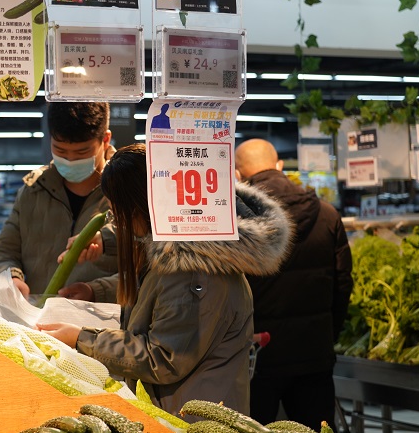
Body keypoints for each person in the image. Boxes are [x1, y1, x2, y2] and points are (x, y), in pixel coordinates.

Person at [38, 144, 292, 415]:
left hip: (193, 425)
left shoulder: (190, 270)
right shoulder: (178, 253)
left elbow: (164, 358)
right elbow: (156, 293)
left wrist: (82, 338)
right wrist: (96, 291)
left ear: (141, 207)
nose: (119, 224)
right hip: (181, 412)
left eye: (117, 213)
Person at [235, 138, 353, 431]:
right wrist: (327, 334)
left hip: (257, 356)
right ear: (279, 166)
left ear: (237, 174)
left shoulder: (236, 220)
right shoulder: (326, 214)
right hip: (314, 353)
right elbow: (342, 285)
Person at [0, 101, 118, 303]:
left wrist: (97, 291)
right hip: (37, 318)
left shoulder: (129, 192)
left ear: (105, 139)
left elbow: (147, 270)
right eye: (60, 150)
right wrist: (10, 278)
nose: (70, 160)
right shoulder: (34, 191)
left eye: (82, 152)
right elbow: (2, 251)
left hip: (103, 320)